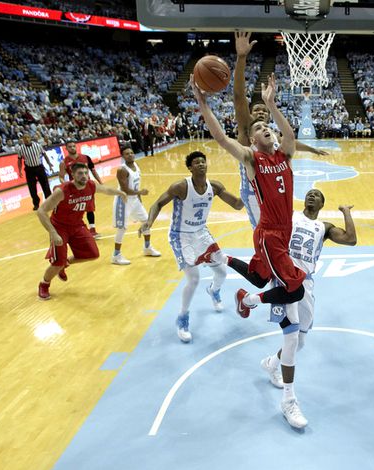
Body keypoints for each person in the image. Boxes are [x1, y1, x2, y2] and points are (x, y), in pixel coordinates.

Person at [194, 74, 313, 427]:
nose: (267, 131)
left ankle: (240, 285)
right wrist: (202, 103)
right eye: (260, 128)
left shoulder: (285, 155)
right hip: (269, 236)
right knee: (294, 294)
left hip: (282, 233)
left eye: (269, 128)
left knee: (263, 277)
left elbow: (289, 135)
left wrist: (273, 105)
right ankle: (288, 399)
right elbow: (219, 136)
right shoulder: (252, 159)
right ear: (252, 139)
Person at [229, 189, 357, 428]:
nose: (312, 196)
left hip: (305, 283)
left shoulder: (324, 227)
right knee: (291, 339)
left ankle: (271, 363)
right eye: (309, 193)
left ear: (322, 202)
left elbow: (351, 239)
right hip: (284, 279)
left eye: (317, 194)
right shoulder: (290, 216)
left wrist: (346, 212)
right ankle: (289, 400)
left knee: (300, 342)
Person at [139, 151, 243, 343]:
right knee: (194, 279)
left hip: (201, 234)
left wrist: (251, 191)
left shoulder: (215, 186)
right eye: (197, 162)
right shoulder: (180, 186)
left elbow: (237, 205)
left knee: (221, 272)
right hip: (181, 237)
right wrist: (148, 222)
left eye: (203, 161)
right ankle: (183, 318)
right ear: (190, 167)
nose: (201, 165)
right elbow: (158, 203)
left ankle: (213, 290)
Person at [232, 31, 329, 228]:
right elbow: (239, 97)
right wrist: (242, 58)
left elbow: (289, 143)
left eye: (263, 110)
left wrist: (312, 149)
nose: (260, 112)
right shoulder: (246, 132)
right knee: (268, 233)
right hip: (255, 190)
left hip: (277, 187)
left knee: (284, 232)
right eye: (255, 110)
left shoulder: (270, 134)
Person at [36, 163, 125, 300]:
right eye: (80, 173)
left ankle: (66, 263)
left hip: (77, 225)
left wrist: (120, 192)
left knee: (93, 253)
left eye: (85, 173)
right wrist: (53, 233)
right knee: (57, 262)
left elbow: (105, 190)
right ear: (72, 175)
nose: (84, 176)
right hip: (59, 227)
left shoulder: (91, 185)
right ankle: (44, 284)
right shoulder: (62, 190)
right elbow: (41, 211)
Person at [111, 146, 161, 265]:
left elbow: (136, 186)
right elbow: (125, 190)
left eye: (132, 152)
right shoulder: (122, 170)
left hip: (135, 200)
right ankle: (116, 255)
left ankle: (147, 248)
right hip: (123, 201)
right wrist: (140, 192)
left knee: (146, 221)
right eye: (127, 154)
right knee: (122, 228)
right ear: (123, 156)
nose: (130, 155)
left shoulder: (136, 166)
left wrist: (139, 199)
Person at [59, 140, 103, 238]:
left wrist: (100, 182)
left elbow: (93, 170)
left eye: (74, 146)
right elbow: (61, 176)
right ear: (66, 148)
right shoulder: (64, 162)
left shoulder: (85, 158)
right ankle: (74, 229)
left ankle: (92, 229)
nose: (72, 148)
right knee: (77, 209)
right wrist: (65, 185)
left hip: (87, 186)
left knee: (90, 208)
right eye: (70, 146)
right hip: (74, 188)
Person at [17, 134, 53, 211]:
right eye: (24, 138)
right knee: (32, 188)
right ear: (23, 140)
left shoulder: (37, 145)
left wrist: (49, 163)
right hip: (29, 169)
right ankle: (36, 204)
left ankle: (49, 201)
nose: (26, 139)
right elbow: (19, 160)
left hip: (39, 167)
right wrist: (19, 170)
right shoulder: (20, 149)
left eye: (28, 137)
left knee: (45, 185)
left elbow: (44, 154)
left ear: (30, 138)